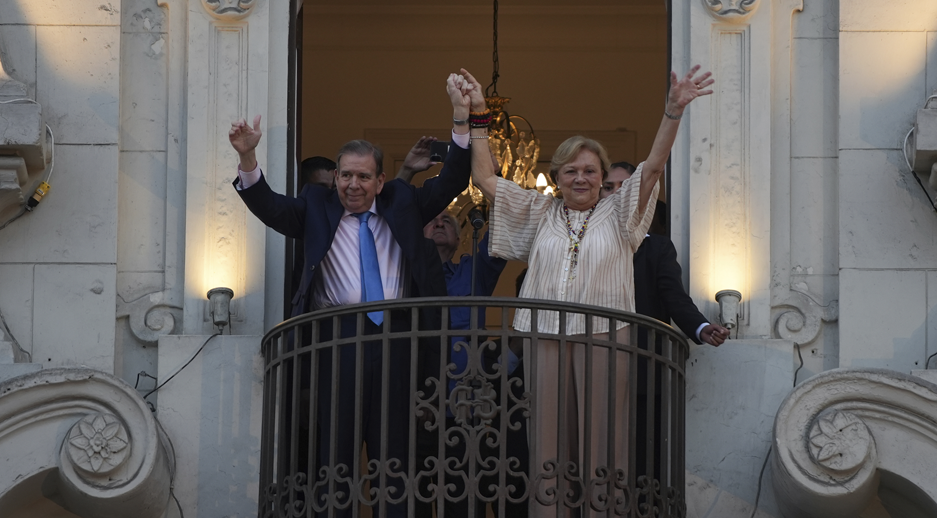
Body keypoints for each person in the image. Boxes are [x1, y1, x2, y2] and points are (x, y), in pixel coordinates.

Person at [228, 70, 485, 518]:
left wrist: (461, 119)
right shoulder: (316, 206)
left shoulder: (402, 202)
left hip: (398, 339)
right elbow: (270, 206)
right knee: (336, 455)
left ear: (380, 181)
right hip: (337, 339)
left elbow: (451, 182)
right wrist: (248, 158)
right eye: (345, 175)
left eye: (363, 177)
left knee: (395, 455)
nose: (353, 185)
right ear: (335, 178)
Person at [466, 65, 714, 516]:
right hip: (544, 334)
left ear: (601, 177)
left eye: (590, 170)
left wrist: (673, 111)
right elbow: (485, 179)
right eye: (570, 171)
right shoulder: (539, 212)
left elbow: (653, 167)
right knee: (547, 444)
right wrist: (478, 116)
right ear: (556, 176)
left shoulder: (620, 212)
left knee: (603, 443)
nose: (580, 178)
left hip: (605, 336)